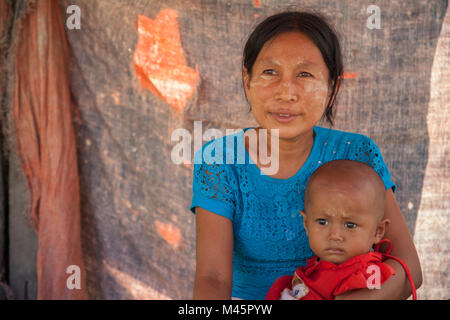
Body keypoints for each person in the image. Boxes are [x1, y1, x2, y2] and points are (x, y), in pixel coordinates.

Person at [191, 11, 422, 300]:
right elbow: (212, 278)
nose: (286, 92)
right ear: (247, 80)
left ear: (331, 87)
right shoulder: (220, 160)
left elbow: (408, 265)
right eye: (270, 72)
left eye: (305, 74)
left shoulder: (357, 154)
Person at [265, 160, 417, 300]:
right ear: (306, 224)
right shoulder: (311, 272)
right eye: (322, 222)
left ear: (378, 231)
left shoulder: (371, 274)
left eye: (350, 225)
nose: (335, 235)